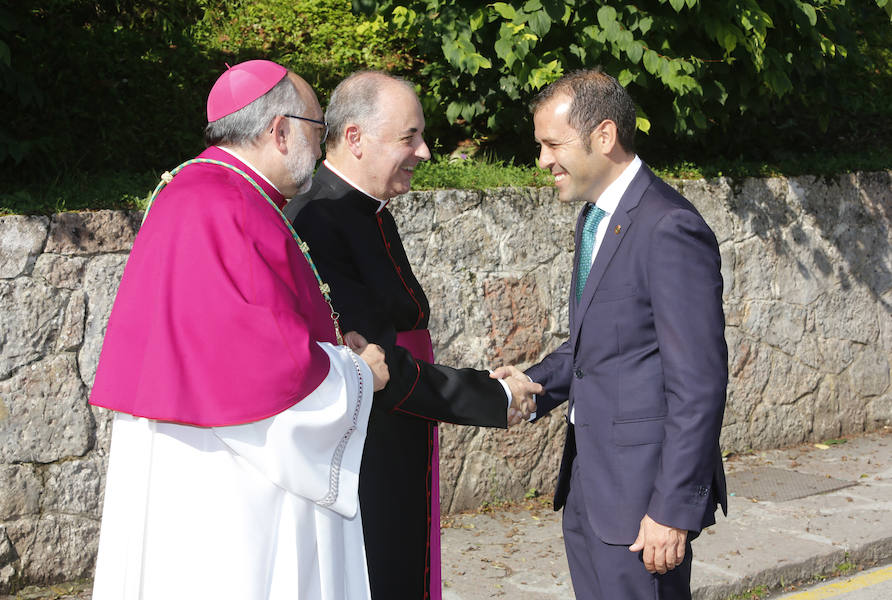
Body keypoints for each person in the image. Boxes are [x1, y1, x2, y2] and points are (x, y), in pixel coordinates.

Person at [88, 60, 390, 600]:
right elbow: (274, 373)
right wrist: (356, 374)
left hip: (200, 445)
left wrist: (328, 346)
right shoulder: (226, 205)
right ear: (279, 131)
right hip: (231, 472)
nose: (321, 150)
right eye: (318, 130)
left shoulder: (204, 191)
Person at [284, 71, 541, 600]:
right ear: (354, 138)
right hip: (368, 438)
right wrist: (490, 396)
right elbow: (374, 359)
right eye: (410, 137)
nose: (424, 151)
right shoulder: (320, 218)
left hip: (400, 422)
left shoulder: (367, 208)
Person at [495, 69, 728, 599]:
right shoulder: (595, 218)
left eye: (553, 144)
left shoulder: (669, 227)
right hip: (589, 488)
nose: (543, 161)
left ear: (604, 136)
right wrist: (531, 385)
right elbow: (593, 348)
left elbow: (699, 385)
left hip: (643, 504)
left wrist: (672, 509)